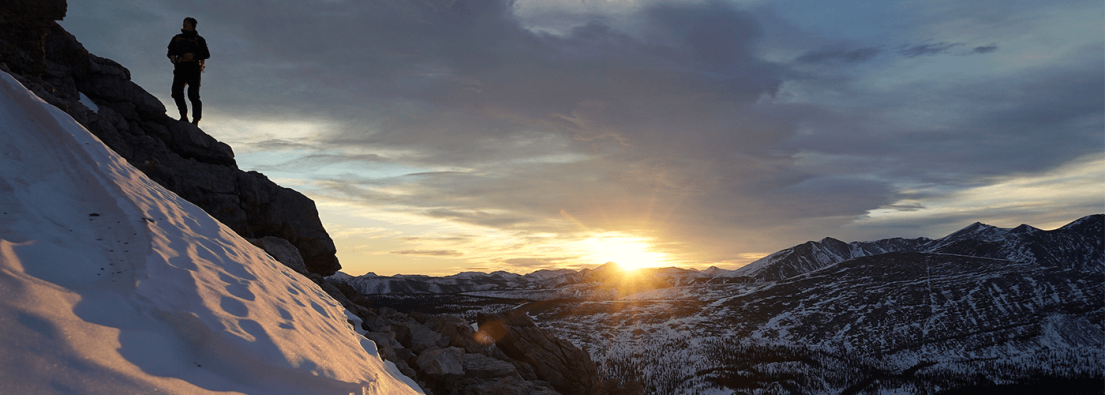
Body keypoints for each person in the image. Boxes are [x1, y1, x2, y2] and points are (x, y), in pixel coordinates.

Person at [167, 17, 210, 125]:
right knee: (176, 93)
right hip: (180, 68)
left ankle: (195, 120)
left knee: (193, 95)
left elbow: (206, 54)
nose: (184, 24)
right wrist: (172, 56)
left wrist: (193, 55)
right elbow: (170, 51)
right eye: (184, 22)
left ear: (192, 25)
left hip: (194, 69)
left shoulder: (199, 40)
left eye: (187, 23)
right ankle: (183, 116)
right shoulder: (177, 38)